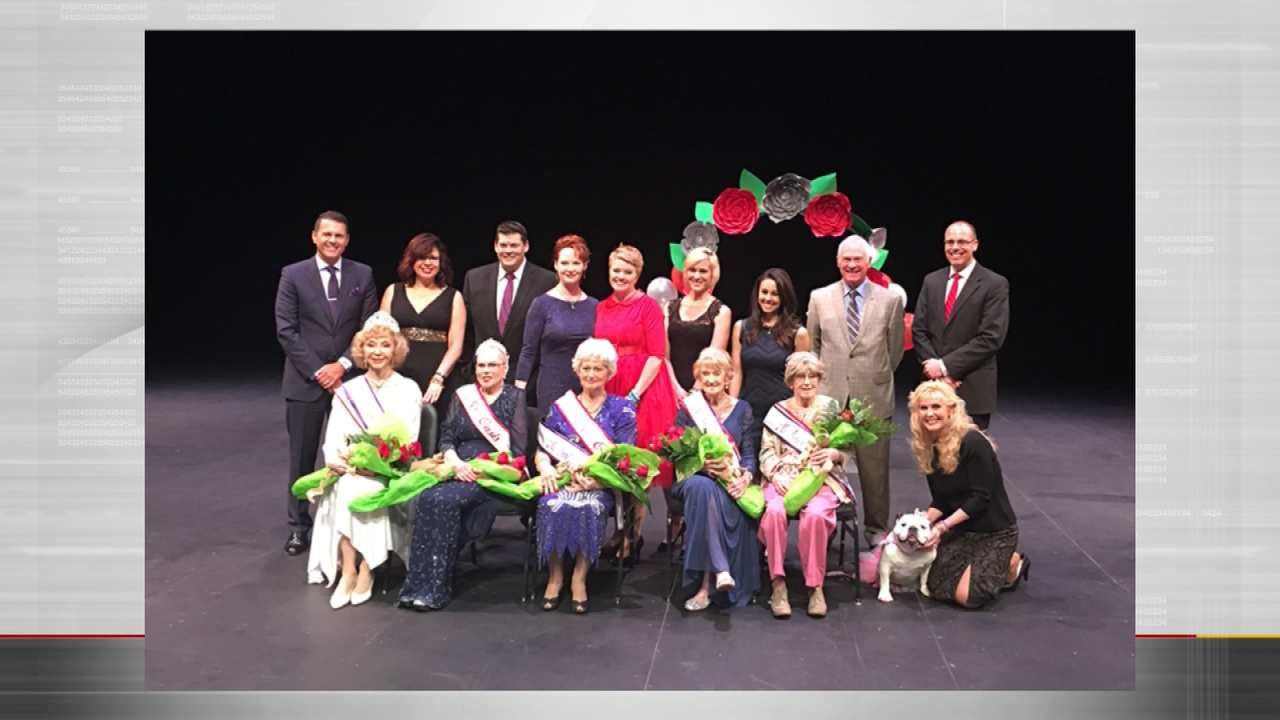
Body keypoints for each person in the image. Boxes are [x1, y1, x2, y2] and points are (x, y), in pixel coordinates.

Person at [397, 339, 529, 611]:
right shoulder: (463, 394)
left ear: (505, 368)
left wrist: (481, 468)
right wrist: (455, 461)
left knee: (444, 502)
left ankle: (434, 589)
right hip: (457, 465)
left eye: (493, 365)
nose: (486, 371)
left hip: (490, 470)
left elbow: (517, 448)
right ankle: (416, 586)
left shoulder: (515, 397)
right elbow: (446, 437)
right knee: (428, 497)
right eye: (481, 365)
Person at [275, 210, 378, 556]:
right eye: (327, 235)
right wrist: (321, 371)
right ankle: (298, 527)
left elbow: (369, 327)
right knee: (302, 457)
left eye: (340, 236)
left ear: (347, 240)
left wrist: (344, 364)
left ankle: (347, 527)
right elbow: (286, 330)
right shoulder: (293, 275)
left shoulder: (361, 273)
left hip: (351, 383)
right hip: (306, 383)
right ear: (315, 237)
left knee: (353, 456)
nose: (333, 241)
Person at [305, 312, 419, 609]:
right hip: (350, 468)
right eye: (371, 345)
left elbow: (408, 440)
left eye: (384, 345)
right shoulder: (348, 391)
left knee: (364, 490)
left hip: (387, 470)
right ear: (361, 351)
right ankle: (349, 570)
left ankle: (367, 569)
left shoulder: (408, 388)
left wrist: (378, 465)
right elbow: (334, 438)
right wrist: (338, 461)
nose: (377, 352)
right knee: (347, 487)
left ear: (396, 349)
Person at [806, 235, 904, 547]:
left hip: (872, 395)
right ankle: (826, 526)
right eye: (846, 259)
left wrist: (874, 376)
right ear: (838, 262)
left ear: (869, 262)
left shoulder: (890, 301)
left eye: (857, 259)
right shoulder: (819, 297)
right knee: (825, 464)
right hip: (830, 396)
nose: (851, 264)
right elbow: (813, 346)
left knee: (874, 470)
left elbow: (895, 350)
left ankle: (876, 529)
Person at [533, 338, 637, 615]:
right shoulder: (561, 407)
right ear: (577, 370)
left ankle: (579, 577)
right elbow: (542, 450)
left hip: (599, 485)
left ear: (609, 373)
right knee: (550, 505)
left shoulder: (622, 409)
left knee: (591, 507)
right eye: (586, 368)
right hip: (563, 479)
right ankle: (555, 577)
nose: (591, 374)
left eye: (598, 369)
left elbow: (625, 459)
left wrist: (596, 480)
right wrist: (545, 468)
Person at [593, 244, 679, 560]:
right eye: (616, 270)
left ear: (637, 275)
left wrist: (633, 395)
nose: (620, 276)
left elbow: (657, 355)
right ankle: (617, 530)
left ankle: (634, 535)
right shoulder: (601, 307)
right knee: (615, 462)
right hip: (609, 383)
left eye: (627, 271)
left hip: (643, 389)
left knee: (637, 464)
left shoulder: (648, 307)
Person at [909, 380, 1028, 608]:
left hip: (993, 531)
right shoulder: (929, 446)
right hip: (963, 529)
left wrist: (942, 527)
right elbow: (942, 499)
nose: (930, 414)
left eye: (936, 407)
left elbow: (980, 499)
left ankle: (1013, 563)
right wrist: (921, 522)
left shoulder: (973, 442)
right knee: (936, 587)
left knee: (968, 597)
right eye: (923, 408)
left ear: (951, 410)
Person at [757, 352, 851, 619]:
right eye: (801, 376)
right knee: (774, 512)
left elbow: (847, 451)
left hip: (820, 477)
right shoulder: (777, 411)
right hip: (783, 477)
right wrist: (776, 475)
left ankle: (815, 586)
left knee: (816, 514)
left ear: (820, 379)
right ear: (791, 381)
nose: (807, 382)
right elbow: (766, 452)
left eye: (812, 376)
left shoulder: (831, 408)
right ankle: (777, 583)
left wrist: (834, 455)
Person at [671, 348, 759, 611]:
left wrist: (745, 476)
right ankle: (721, 569)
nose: (710, 379)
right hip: (693, 477)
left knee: (710, 493)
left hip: (729, 480)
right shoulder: (689, 410)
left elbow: (749, 454)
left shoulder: (742, 409)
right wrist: (701, 465)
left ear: (728, 377)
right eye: (705, 373)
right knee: (701, 486)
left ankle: (705, 586)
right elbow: (678, 456)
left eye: (716, 373)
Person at [911, 221, 1010, 430]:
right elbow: (919, 329)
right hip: (933, 390)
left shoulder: (994, 284)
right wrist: (934, 370)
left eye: (962, 242)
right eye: (950, 242)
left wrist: (946, 368)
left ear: (975, 245)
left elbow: (991, 337)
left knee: (969, 457)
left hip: (972, 388)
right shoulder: (932, 281)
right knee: (933, 458)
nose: (955, 247)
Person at [461, 220, 557, 405]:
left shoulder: (547, 281)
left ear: (526, 246)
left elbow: (547, 337)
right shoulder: (474, 278)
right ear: (495, 246)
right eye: (503, 245)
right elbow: (467, 332)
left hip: (527, 385)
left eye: (514, 245)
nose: (508, 250)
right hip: (482, 383)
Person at [380, 233, 466, 413]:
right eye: (422, 257)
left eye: (433, 258)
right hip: (397, 375)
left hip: (437, 379)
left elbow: (456, 346)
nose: (428, 263)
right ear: (411, 260)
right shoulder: (392, 291)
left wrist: (438, 378)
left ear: (441, 262)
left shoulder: (454, 297)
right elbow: (381, 337)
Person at [515, 234, 599, 417]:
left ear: (585, 266)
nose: (570, 269)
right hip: (551, 388)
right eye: (565, 263)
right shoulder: (541, 304)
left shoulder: (594, 306)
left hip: (588, 389)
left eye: (576, 263)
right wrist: (518, 391)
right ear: (555, 265)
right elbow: (528, 351)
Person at [731, 268, 810, 450]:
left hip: (782, 415)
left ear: (784, 297)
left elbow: (800, 381)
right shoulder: (741, 327)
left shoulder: (798, 334)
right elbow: (737, 372)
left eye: (775, 294)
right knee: (747, 470)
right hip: (748, 412)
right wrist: (732, 409)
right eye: (764, 292)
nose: (768, 298)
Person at [665, 247, 731, 396]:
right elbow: (664, 357)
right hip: (670, 390)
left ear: (712, 274)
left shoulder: (722, 312)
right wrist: (676, 390)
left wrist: (694, 392)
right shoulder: (669, 307)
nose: (696, 276)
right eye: (692, 270)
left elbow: (713, 360)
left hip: (705, 392)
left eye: (703, 271)